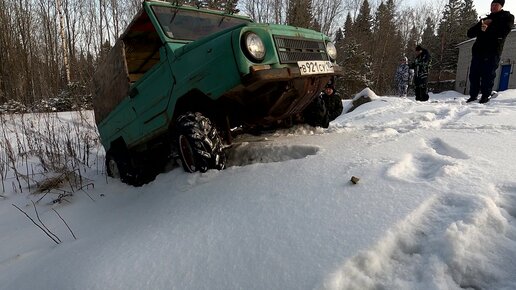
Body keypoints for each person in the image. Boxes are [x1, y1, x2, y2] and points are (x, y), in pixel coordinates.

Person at [466, 0, 514, 104]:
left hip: (492, 51)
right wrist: (481, 27)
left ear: (501, 6)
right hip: (478, 51)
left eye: (495, 5)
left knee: (487, 75)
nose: (492, 7)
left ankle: (485, 96)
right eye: (491, 5)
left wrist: (489, 26)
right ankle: (473, 96)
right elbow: (469, 33)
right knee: (474, 74)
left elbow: (504, 32)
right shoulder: (484, 19)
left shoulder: (507, 17)